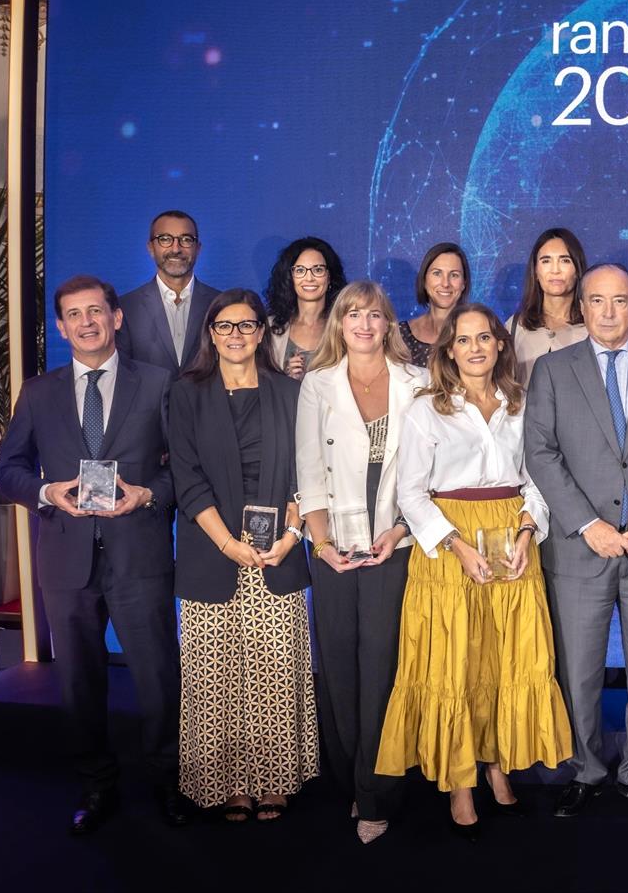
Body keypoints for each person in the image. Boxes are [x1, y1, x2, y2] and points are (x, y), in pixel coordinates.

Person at [0, 275, 186, 833]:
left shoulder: (157, 383)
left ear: (116, 318)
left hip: (139, 555)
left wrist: (148, 494)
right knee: (80, 681)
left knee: (157, 677)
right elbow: (8, 469)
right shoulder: (38, 393)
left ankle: (169, 781)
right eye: (74, 314)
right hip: (65, 558)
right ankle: (97, 785)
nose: (87, 322)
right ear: (61, 327)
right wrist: (45, 492)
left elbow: (184, 468)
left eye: (96, 311)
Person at [375, 303, 572, 839]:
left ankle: (497, 765)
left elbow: (538, 478)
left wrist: (528, 530)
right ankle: (460, 782)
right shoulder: (426, 409)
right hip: (449, 546)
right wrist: (457, 546)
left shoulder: (522, 403)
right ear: (449, 350)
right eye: (463, 340)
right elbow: (411, 494)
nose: (475, 348)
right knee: (457, 661)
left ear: (500, 344)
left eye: (484, 338)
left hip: (512, 541)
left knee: (504, 658)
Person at [523, 264, 628, 818]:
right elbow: (540, 452)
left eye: (620, 300)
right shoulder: (551, 369)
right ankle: (587, 769)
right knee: (578, 671)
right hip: (579, 549)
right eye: (597, 301)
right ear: (583, 307)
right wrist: (586, 524)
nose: (609, 312)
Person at [167, 288, 317, 823]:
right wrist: (229, 544)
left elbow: (305, 474)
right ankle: (228, 784)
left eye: (247, 325)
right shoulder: (186, 393)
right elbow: (186, 479)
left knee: (274, 671)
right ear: (210, 334)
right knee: (215, 677)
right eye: (225, 326)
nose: (236, 335)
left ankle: (273, 779)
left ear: (261, 332)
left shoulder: (290, 392)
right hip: (212, 553)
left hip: (278, 555)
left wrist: (291, 535)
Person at [295, 281, 427, 843]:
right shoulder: (318, 383)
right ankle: (351, 780)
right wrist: (322, 545)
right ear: (339, 325)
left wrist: (399, 531)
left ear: (388, 323)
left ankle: (377, 791)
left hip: (395, 544)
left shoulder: (417, 382)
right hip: (333, 548)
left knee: (382, 666)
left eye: (374, 315)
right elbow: (308, 470)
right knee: (340, 667)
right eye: (353, 315)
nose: (364, 325)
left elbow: (428, 472)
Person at [117, 210, 221, 373]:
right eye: (165, 239)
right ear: (151, 248)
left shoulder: (220, 304)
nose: (176, 248)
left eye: (186, 239)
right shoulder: (126, 307)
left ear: (198, 248)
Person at [507, 227, 589, 386]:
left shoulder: (592, 327)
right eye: (546, 261)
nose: (555, 270)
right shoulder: (516, 326)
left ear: (578, 269)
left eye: (565, 260)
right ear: (536, 271)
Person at [265, 236, 348, 379]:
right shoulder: (270, 327)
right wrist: (286, 380)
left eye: (318, 270)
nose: (309, 278)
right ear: (290, 277)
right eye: (300, 270)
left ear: (329, 277)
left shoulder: (345, 326)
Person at [398, 242, 470, 368]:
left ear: (464, 283)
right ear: (424, 280)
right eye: (437, 273)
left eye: (454, 275)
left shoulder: (479, 333)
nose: (445, 284)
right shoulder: (400, 335)